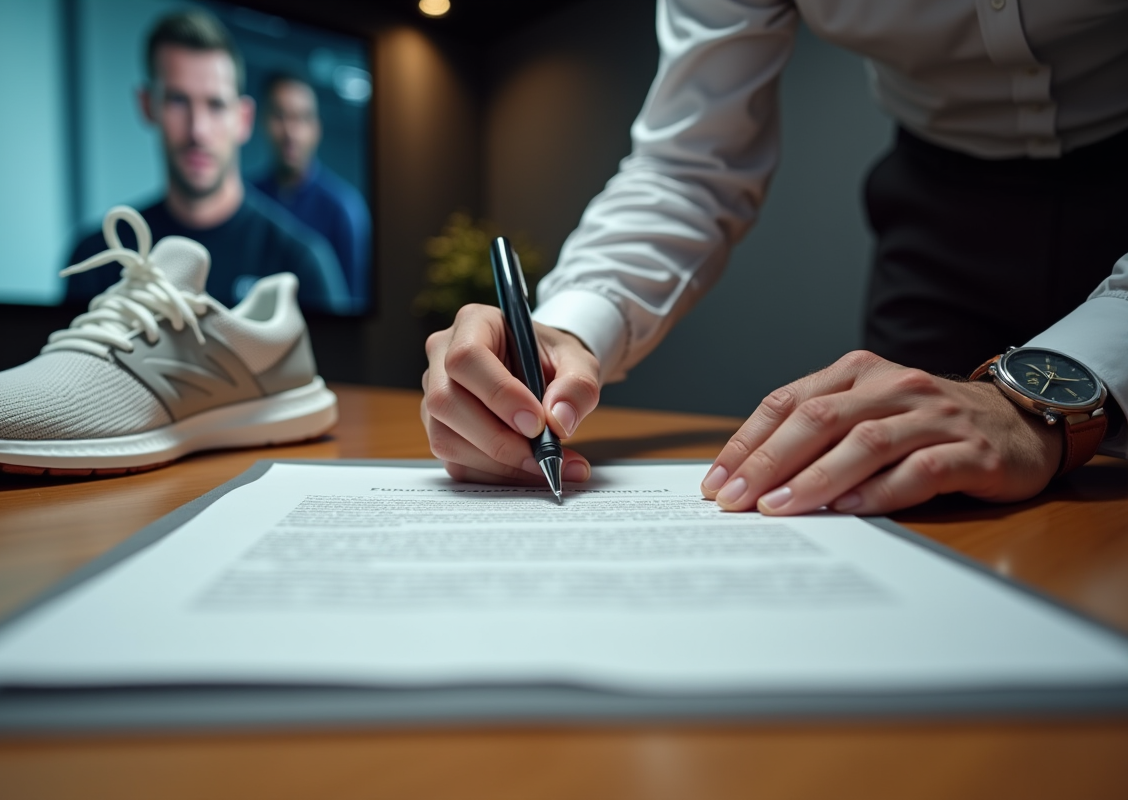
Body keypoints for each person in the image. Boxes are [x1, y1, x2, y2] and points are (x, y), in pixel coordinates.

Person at [420, 0, 1128, 515]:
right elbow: (690, 165)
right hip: (940, 201)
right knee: (906, 496)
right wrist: (563, 332)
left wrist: (1038, 405)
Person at [65, 10, 351, 315]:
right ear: (148, 106)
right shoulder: (101, 259)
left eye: (215, 104)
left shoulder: (300, 265)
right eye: (177, 101)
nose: (197, 130)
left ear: (243, 119)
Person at [254, 73, 373, 312]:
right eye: (280, 116)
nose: (290, 131)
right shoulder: (247, 198)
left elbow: (349, 309)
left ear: (316, 128)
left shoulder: (344, 209)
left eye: (302, 118)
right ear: (263, 121)